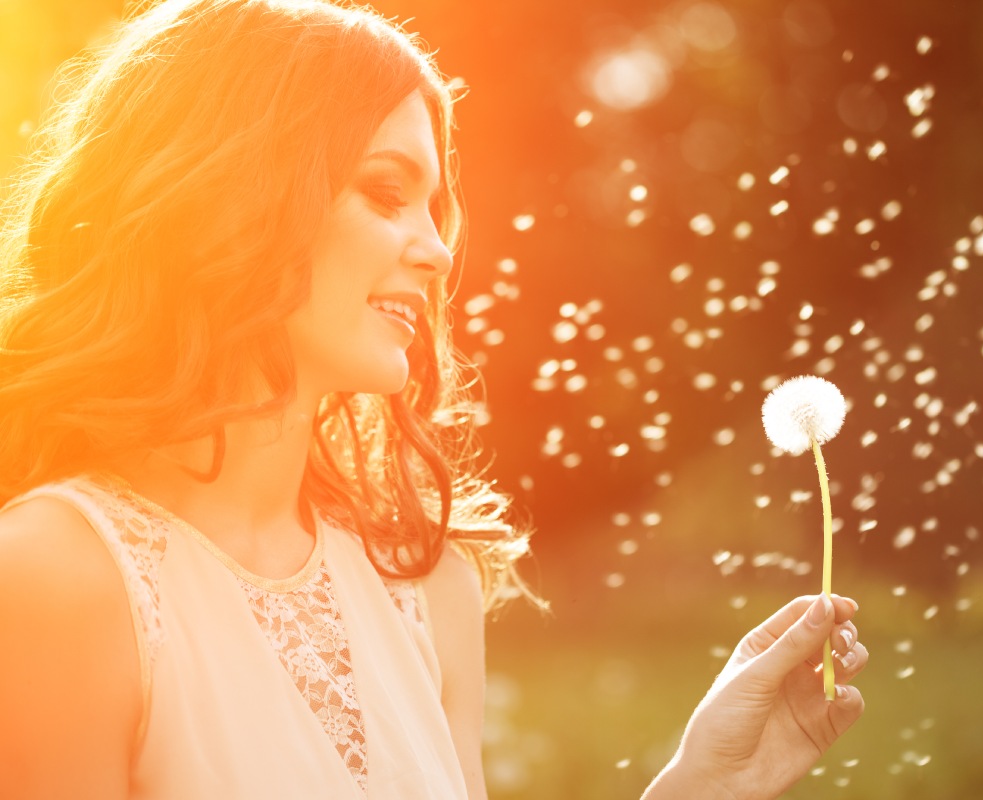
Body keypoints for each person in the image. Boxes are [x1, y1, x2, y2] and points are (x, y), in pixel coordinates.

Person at [0, 0, 868, 797]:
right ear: (228, 200)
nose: (438, 251)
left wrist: (707, 782)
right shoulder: (54, 581)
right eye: (385, 194)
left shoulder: (425, 584)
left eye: (434, 206)